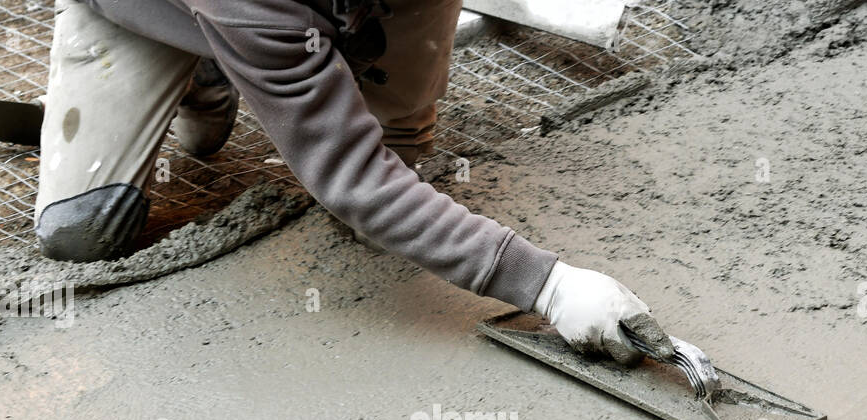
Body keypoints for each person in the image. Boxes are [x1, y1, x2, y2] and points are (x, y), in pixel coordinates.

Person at [34, 0, 671, 362]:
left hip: (293, 15)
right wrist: (549, 286)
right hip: (142, 10)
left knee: (401, 167)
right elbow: (353, 178)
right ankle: (210, 60)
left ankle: (261, 54)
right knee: (82, 232)